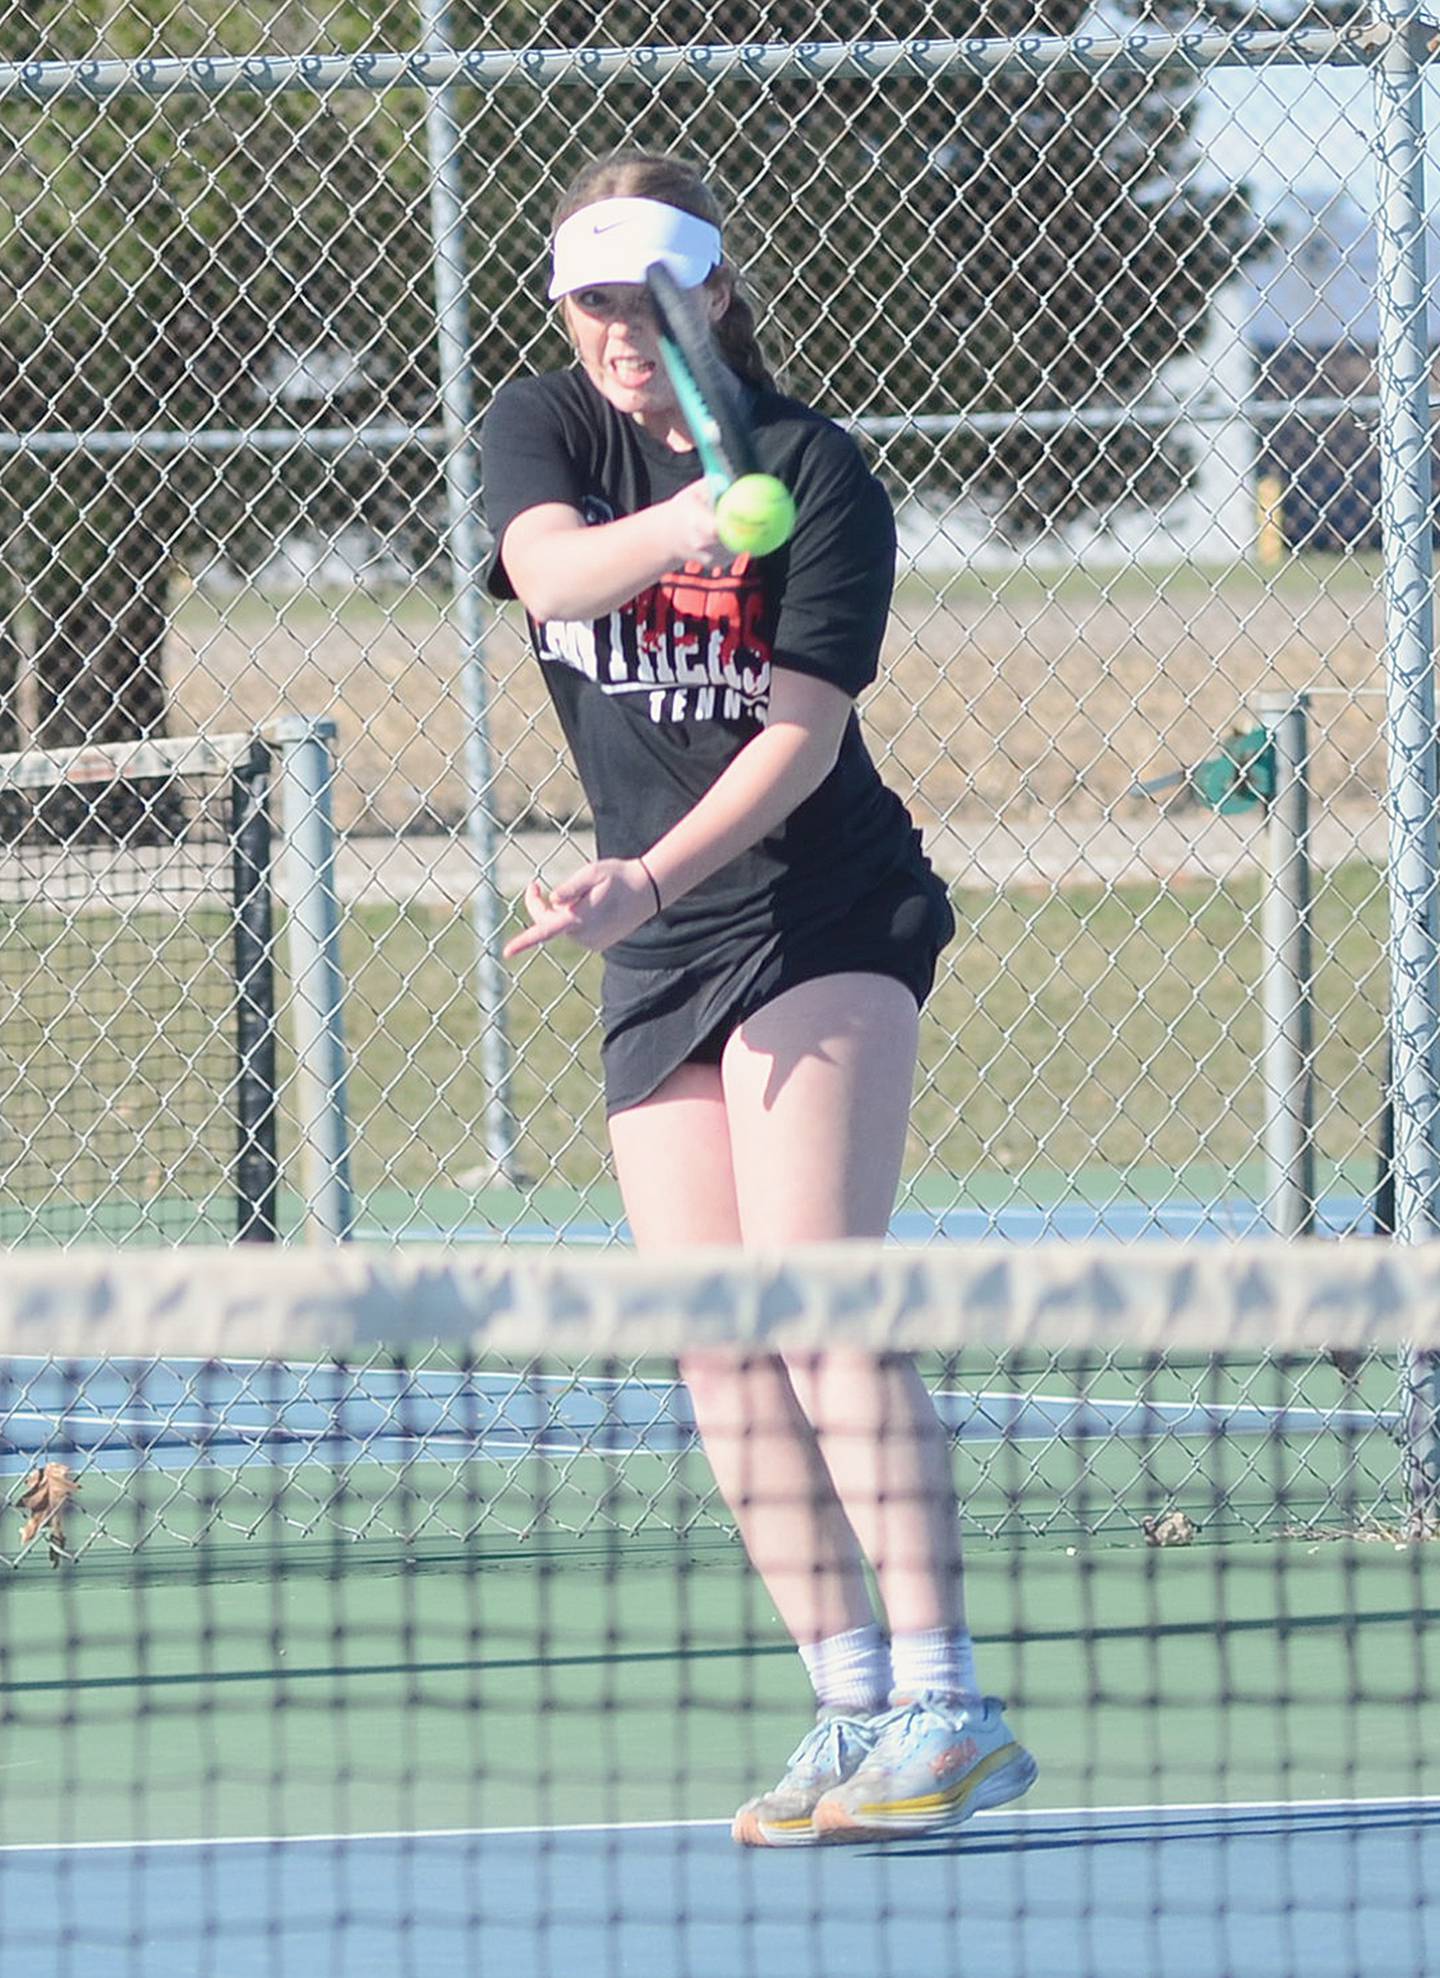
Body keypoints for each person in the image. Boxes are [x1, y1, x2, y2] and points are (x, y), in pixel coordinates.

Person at [481, 148, 1036, 1847]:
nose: (623, 330)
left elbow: (798, 739)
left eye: (655, 294)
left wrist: (651, 874)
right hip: (648, 937)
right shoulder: (544, 426)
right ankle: (852, 1702)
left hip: (818, 903)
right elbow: (553, 573)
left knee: (814, 1302)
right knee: (718, 1348)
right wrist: (690, 525)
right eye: (592, 298)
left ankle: (948, 1703)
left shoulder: (821, 469)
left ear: (717, 289)